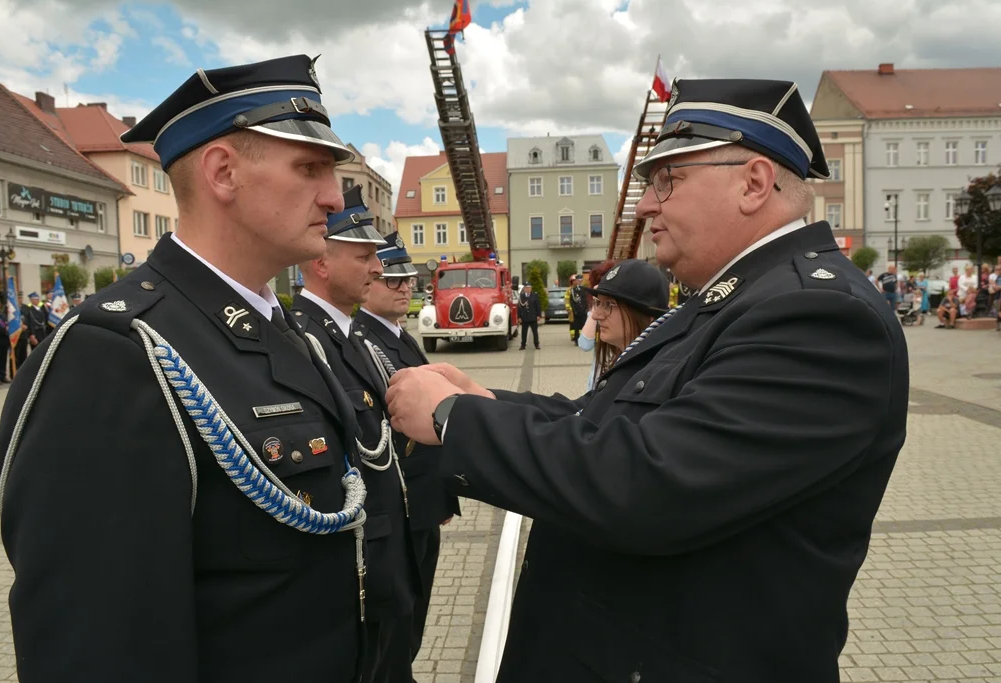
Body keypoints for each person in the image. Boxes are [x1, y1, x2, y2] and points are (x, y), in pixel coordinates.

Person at [385, 77, 908, 682]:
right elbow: (607, 423)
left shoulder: (819, 316)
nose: (644, 206)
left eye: (668, 181)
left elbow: (651, 482)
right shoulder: (736, 298)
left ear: (754, 183)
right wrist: (484, 399)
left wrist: (456, 420)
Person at [0, 55, 370, 682]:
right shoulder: (114, 355)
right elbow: (98, 648)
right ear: (223, 173)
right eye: (310, 168)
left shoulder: (285, 328)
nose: (334, 197)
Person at [291, 187, 419, 683]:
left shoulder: (352, 336)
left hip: (387, 554)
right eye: (365, 257)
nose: (378, 269)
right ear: (322, 262)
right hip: (359, 567)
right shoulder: (304, 339)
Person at [353, 232, 461, 664]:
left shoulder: (397, 335)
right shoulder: (362, 339)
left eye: (408, 280)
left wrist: (444, 493)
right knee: (397, 623)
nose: (404, 288)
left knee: (416, 609)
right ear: (369, 282)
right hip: (400, 502)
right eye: (393, 281)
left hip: (422, 498)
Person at [583, 260, 668, 389]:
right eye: (598, 302)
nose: (596, 315)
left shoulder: (656, 379)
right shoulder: (621, 365)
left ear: (646, 315)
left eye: (608, 304)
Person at [576, 259, 617, 391]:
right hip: (597, 381)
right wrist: (597, 302)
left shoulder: (619, 312)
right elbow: (585, 344)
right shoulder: (595, 312)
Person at [517, 283, 541, 350]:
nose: (528, 289)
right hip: (524, 318)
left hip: (533, 317)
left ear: (531, 288)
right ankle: (523, 345)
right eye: (526, 288)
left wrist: (539, 315)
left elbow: (538, 306)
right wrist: (519, 317)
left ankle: (537, 344)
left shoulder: (534, 295)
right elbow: (519, 307)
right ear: (524, 288)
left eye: (529, 288)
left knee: (535, 332)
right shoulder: (521, 296)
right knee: (524, 332)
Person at [565, 274, 588, 343]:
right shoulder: (572, 290)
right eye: (578, 280)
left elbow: (586, 300)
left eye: (581, 280)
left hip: (584, 311)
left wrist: (587, 309)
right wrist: (571, 309)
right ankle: (576, 340)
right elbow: (569, 300)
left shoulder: (585, 289)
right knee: (576, 326)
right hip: (575, 311)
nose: (579, 281)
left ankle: (583, 339)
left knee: (584, 326)